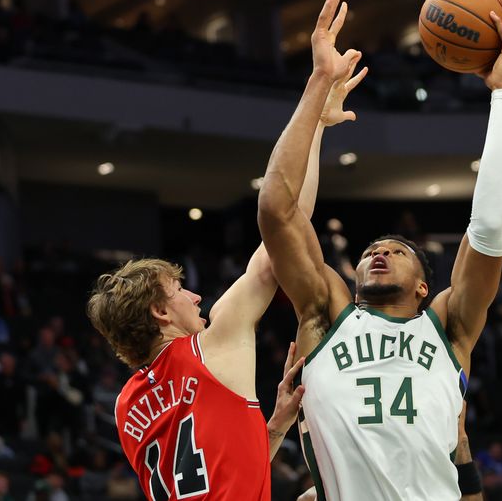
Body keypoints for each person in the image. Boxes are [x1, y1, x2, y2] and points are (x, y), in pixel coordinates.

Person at [258, 0, 502, 500]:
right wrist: (318, 86)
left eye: (396, 251)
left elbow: (490, 227)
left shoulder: (449, 327)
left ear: (425, 287)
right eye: (369, 251)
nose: (377, 252)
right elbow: (276, 208)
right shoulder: (324, 314)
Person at [86, 55, 365, 500]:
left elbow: (205, 476)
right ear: (159, 312)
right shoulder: (211, 344)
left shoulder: (126, 405)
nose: (195, 297)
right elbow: (286, 227)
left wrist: (271, 429)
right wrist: (317, 119)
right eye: (178, 291)